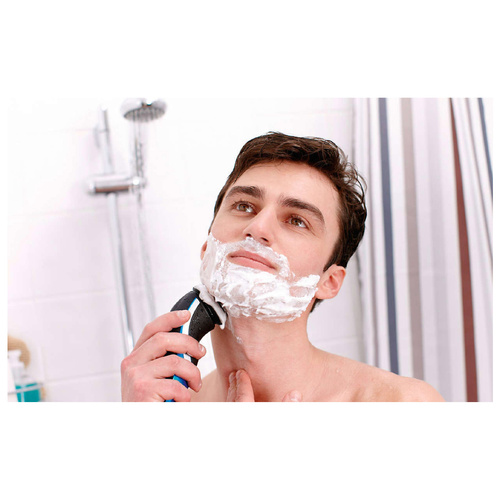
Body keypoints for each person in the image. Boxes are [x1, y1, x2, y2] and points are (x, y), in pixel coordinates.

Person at [121, 132, 444, 402]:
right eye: (244, 206)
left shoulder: (401, 403)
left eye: (297, 221)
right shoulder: (170, 402)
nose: (257, 228)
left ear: (329, 281)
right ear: (207, 248)